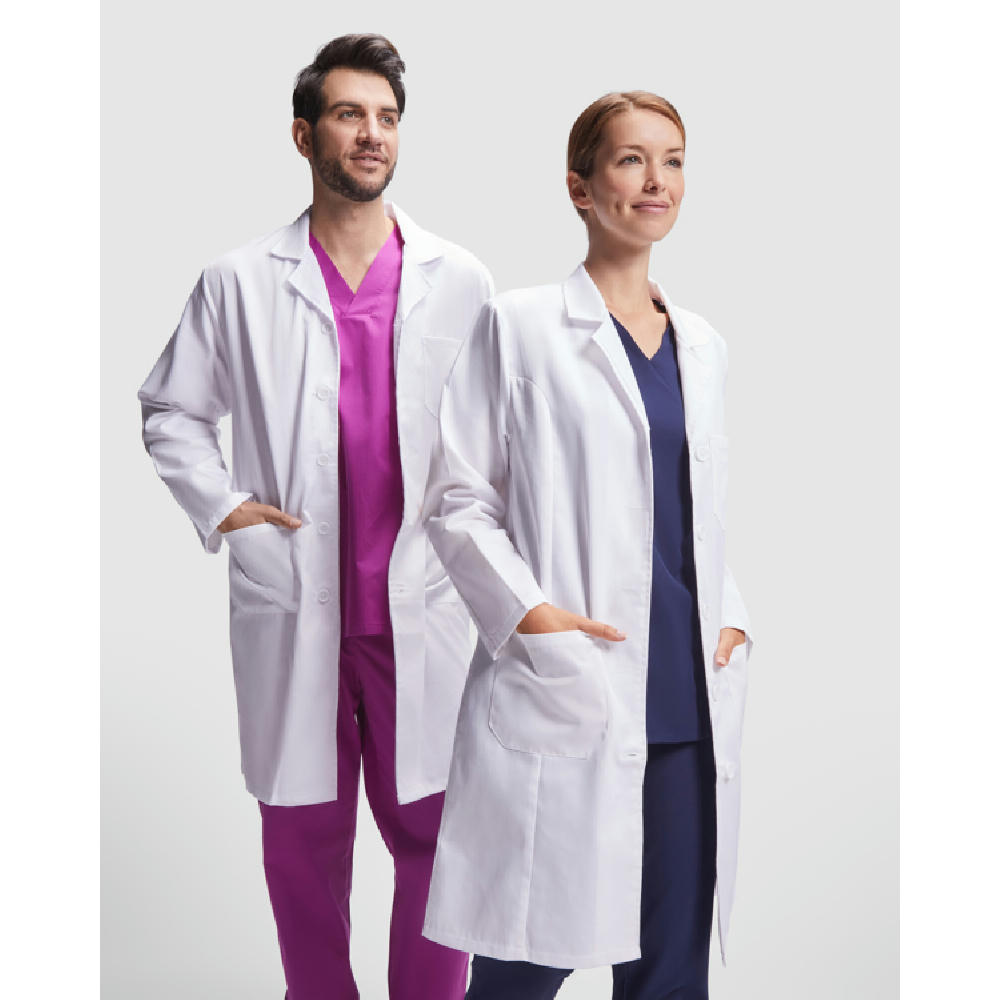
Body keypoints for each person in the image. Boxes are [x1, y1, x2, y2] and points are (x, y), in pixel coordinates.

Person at [137, 34, 491, 1000]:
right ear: (304, 135)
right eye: (349, 115)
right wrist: (228, 511)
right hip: (296, 600)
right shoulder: (240, 280)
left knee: (437, 836)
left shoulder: (459, 278)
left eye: (386, 118)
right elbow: (170, 410)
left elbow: (497, 443)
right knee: (301, 843)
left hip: (421, 603)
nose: (372, 134)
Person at [419, 91, 754, 999]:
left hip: (686, 698)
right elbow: (457, 498)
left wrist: (729, 617)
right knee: (522, 968)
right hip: (573, 683)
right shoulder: (520, 325)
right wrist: (530, 615)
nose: (656, 180)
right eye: (631, 159)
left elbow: (696, 513)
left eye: (673, 160)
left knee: (670, 972)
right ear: (580, 186)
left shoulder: (705, 346)